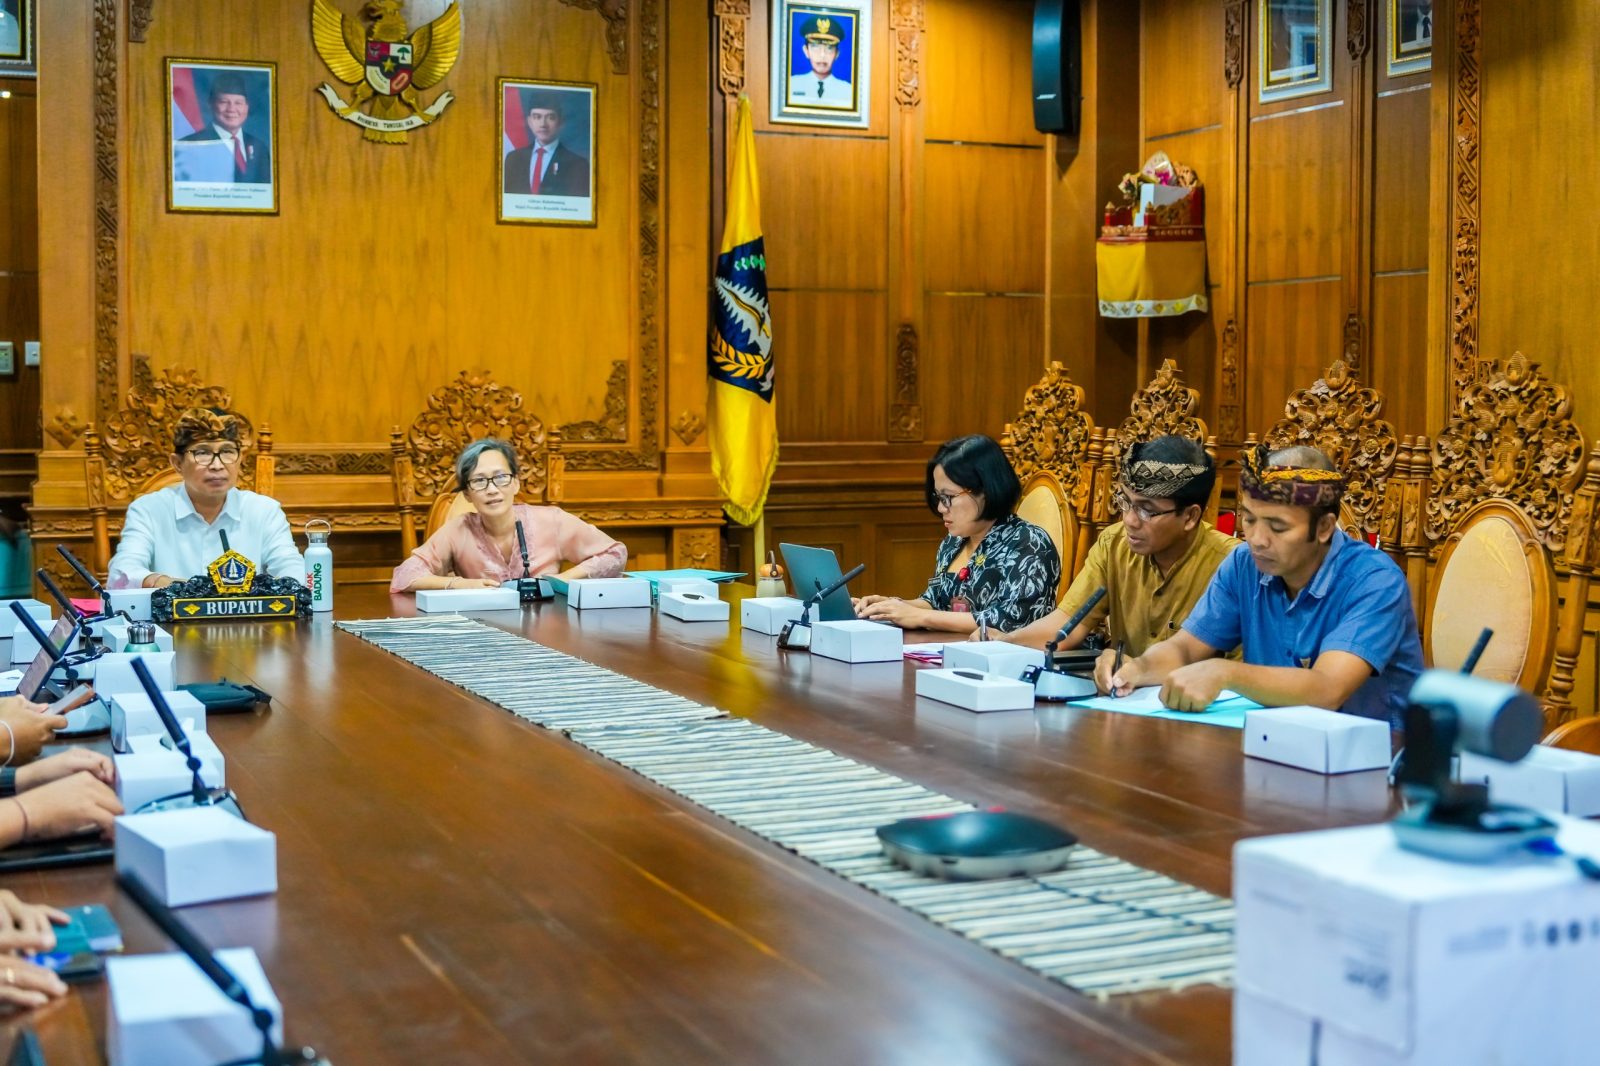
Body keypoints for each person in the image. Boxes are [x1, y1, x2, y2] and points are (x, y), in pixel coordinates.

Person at [1107, 444, 1424, 724]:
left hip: (1379, 764)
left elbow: (1328, 689)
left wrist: (1226, 673)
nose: (1256, 539)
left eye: (1278, 527)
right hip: (1273, 745)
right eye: (1249, 519)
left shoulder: (1375, 581)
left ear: (1325, 527)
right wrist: (1135, 669)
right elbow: (1186, 648)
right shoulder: (1244, 564)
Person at [996, 436, 1239, 683]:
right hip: (1121, 696)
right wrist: (1004, 642)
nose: (1129, 520)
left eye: (1147, 510)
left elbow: (1236, 674)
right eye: (1125, 502)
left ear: (1190, 517)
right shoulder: (1114, 543)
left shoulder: (1232, 565)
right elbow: (1065, 625)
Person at [853, 435, 1060, 634]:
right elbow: (934, 601)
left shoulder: (1030, 543)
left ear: (986, 490)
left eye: (949, 497)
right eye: (939, 497)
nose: (942, 508)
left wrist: (920, 616)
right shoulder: (954, 542)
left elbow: (1010, 620)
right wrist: (889, 607)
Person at [390, 438, 627, 591]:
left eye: (501, 477)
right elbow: (404, 576)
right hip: (482, 635)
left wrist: (564, 579)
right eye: (479, 481)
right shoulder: (458, 529)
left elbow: (615, 553)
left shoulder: (552, 521)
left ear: (515, 484)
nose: (492, 489)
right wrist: (460, 584)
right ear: (468, 495)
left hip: (548, 633)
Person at [108, 408, 304, 590]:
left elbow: (293, 571)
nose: (217, 465)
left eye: (227, 451)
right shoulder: (148, 510)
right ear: (177, 463)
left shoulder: (264, 511)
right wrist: (165, 583)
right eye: (202, 453)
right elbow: (122, 572)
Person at [179, 73, 271, 184]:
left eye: (238, 103)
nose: (231, 109)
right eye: (224, 102)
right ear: (210, 104)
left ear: (247, 107)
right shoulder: (189, 146)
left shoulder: (259, 148)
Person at [503, 91, 590, 197]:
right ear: (529, 121)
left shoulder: (578, 165)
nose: (543, 124)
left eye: (550, 117)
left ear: (560, 122)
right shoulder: (513, 159)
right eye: (537, 117)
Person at [787, 15, 853, 106]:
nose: (822, 55)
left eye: (829, 48)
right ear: (806, 51)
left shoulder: (849, 92)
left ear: (837, 54)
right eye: (815, 47)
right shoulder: (791, 85)